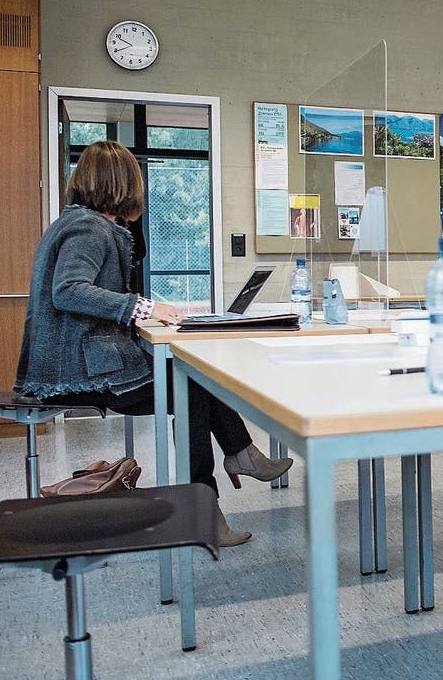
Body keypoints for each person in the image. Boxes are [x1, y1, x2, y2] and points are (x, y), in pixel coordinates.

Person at [15, 140, 292, 546]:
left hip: (71, 362)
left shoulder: (79, 222)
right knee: (191, 385)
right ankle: (213, 501)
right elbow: (69, 291)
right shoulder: (89, 228)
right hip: (75, 370)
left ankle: (236, 462)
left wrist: (139, 310)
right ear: (125, 183)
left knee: (192, 379)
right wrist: (142, 307)